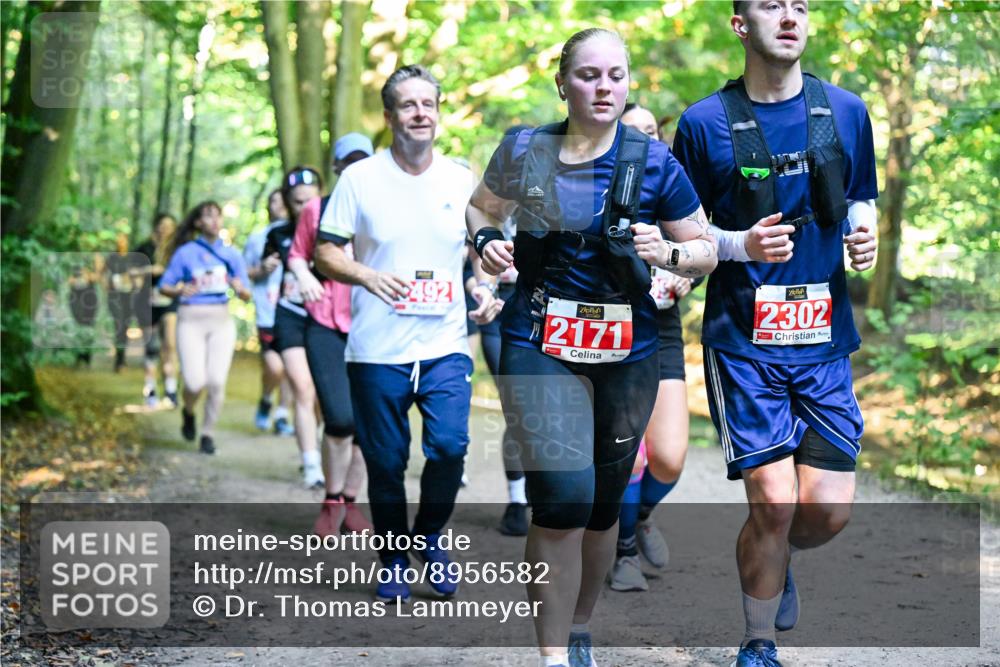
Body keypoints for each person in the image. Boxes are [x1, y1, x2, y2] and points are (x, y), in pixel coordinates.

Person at [467, 29, 717, 667]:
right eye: (588, 75)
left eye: (615, 75)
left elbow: (706, 250)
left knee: (605, 508)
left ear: (628, 83)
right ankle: (553, 657)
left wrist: (671, 255)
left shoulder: (654, 162)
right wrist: (487, 241)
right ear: (562, 83)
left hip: (627, 350)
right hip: (539, 337)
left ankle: (579, 630)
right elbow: (481, 210)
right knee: (564, 498)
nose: (603, 87)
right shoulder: (523, 148)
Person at [671, 2, 878, 665]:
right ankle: (757, 642)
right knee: (774, 503)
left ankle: (778, 554)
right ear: (741, 24)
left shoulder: (845, 110)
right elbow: (686, 232)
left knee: (826, 513)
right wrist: (738, 244)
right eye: (771, 5)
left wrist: (864, 230)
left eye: (799, 5)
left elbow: (861, 195)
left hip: (824, 342)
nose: (789, 16)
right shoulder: (703, 124)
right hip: (743, 343)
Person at [315, 64, 496, 603]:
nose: (421, 113)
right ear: (390, 116)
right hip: (377, 348)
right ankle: (394, 557)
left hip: (444, 343)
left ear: (438, 114)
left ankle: (429, 537)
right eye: (409, 105)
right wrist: (367, 276)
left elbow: (479, 250)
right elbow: (325, 252)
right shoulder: (360, 179)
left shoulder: (460, 178)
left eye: (429, 104)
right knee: (386, 461)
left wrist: (484, 288)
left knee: (450, 447)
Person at [608, 103, 698, 591]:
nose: (647, 140)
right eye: (634, 132)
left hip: (660, 329)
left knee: (669, 456)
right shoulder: (600, 187)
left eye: (652, 131)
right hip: (608, 332)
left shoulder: (673, 187)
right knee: (630, 455)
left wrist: (687, 274)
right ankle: (623, 553)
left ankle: (640, 516)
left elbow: (703, 250)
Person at [288, 132, 374, 535]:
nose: (356, 168)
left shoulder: (384, 208)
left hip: (374, 325)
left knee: (369, 422)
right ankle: (331, 500)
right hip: (324, 322)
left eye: (363, 160)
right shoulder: (316, 209)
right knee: (339, 418)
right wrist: (305, 276)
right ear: (337, 168)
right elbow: (296, 255)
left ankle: (350, 502)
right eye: (348, 161)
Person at [159, 201, 251, 455]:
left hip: (221, 323)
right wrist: (179, 290)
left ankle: (208, 433)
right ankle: (188, 411)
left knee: (217, 381)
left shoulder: (232, 254)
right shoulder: (185, 253)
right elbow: (165, 286)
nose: (214, 220)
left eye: (218, 216)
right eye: (208, 216)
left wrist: (239, 288)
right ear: (198, 222)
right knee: (194, 382)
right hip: (190, 322)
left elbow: (246, 294)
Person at [244, 190, 295, 435]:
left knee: (292, 366)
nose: (280, 204)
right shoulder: (257, 238)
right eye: (274, 200)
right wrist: (262, 269)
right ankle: (266, 398)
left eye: (283, 199)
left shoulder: (301, 232)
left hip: (295, 309)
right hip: (267, 311)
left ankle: (282, 414)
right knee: (275, 367)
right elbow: (243, 273)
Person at [132, 212, 180, 408]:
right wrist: (149, 271)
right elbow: (130, 271)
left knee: (170, 344)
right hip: (146, 301)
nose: (165, 230)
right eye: (163, 226)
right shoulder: (144, 248)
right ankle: (150, 389)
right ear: (156, 227)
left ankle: (171, 389)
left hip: (169, 302)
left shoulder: (177, 250)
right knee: (151, 347)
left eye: (170, 226)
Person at [105, 233, 141, 372]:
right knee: (118, 324)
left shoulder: (132, 258)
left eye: (123, 240)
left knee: (125, 326)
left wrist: (135, 283)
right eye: (118, 240)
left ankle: (121, 358)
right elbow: (103, 273)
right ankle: (119, 361)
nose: (120, 243)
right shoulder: (111, 257)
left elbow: (138, 277)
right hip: (114, 297)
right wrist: (106, 285)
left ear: (127, 242)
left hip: (128, 296)